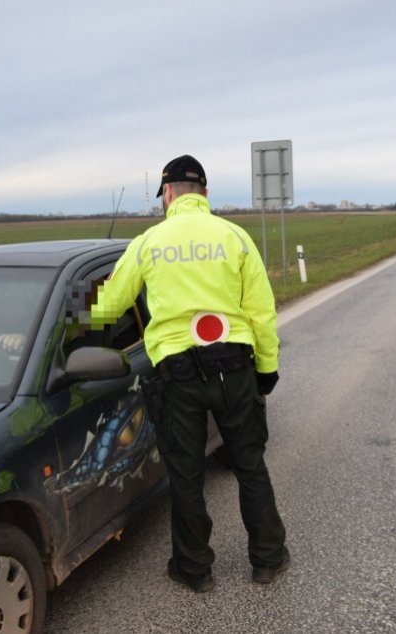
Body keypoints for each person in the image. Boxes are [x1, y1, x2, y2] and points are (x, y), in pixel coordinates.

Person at [87, 154, 289, 591]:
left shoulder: (149, 242)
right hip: (235, 369)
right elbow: (261, 312)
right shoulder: (235, 237)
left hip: (178, 377)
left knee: (187, 474)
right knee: (250, 465)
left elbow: (105, 308)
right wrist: (267, 370)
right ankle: (268, 559)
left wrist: (67, 326)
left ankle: (194, 570)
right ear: (205, 193)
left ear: (169, 193)